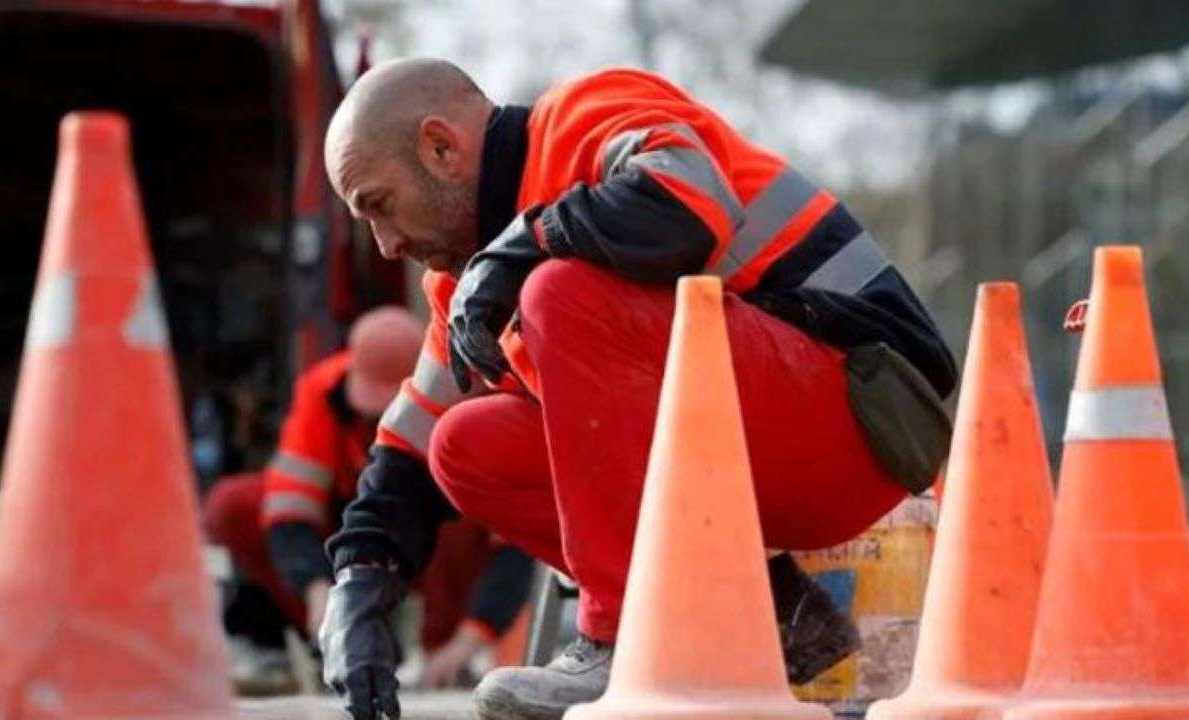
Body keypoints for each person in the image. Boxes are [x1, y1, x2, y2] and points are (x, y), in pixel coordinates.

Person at [318, 58, 958, 720]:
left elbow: (685, 207)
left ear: (440, 147)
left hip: (870, 411)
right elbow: (411, 444)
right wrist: (360, 581)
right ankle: (768, 620)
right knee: (463, 446)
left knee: (558, 291)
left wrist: (528, 244)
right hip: (772, 442)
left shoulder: (587, 115)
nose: (386, 244)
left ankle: (621, 637)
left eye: (380, 206)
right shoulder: (463, 283)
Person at [204, 306, 532, 692]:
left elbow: (513, 551)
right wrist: (318, 591)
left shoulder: (469, 396)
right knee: (234, 503)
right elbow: (288, 509)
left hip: (433, 537)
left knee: (457, 511)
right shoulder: (323, 390)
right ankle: (325, 641)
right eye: (371, 414)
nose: (380, 426)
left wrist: (468, 640)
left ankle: (441, 657)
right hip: (350, 523)